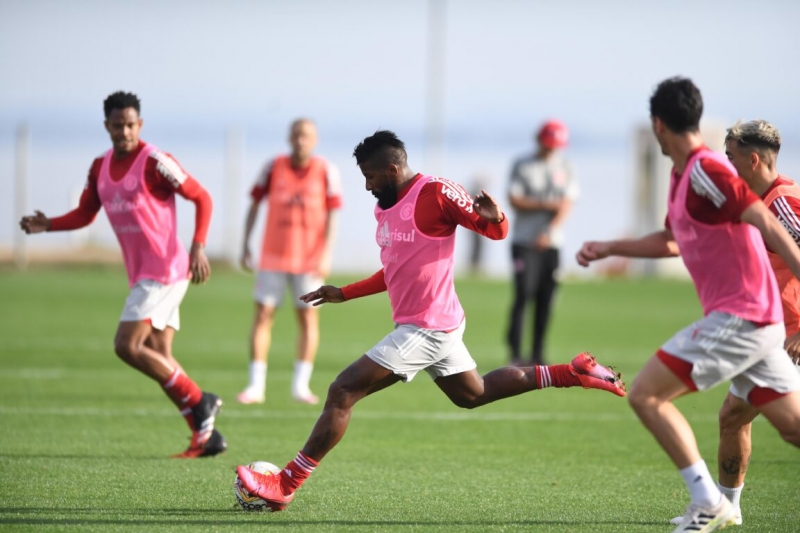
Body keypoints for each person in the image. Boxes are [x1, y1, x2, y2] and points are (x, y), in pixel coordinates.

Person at [235, 129, 627, 511]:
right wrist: (345, 292)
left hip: (427, 326)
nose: (367, 186)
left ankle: (285, 484)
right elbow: (393, 271)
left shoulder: (435, 192)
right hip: (436, 325)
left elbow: (492, 228)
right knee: (474, 394)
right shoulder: (384, 207)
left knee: (343, 390)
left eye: (370, 176)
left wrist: (498, 217)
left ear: (391, 169)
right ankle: (571, 373)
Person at [577, 78, 800, 533]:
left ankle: (708, 501)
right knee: (792, 428)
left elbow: (766, 222)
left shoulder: (705, 171)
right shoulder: (683, 177)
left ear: (658, 125)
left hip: (742, 317)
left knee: (645, 395)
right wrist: (609, 247)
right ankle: (720, 503)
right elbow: (673, 242)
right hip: (760, 324)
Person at [19, 91, 226, 458]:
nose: (125, 131)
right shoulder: (99, 167)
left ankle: (201, 400)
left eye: (131, 125)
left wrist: (198, 245)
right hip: (143, 273)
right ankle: (205, 437)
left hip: (164, 268)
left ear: (140, 125)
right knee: (158, 353)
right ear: (107, 126)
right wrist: (48, 224)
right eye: (118, 125)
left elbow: (202, 197)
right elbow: (85, 214)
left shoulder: (155, 161)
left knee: (127, 346)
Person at [667, 119, 800, 527]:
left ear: (753, 159)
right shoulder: (757, 203)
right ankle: (728, 507)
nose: (725, 164)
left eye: (730, 156)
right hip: (768, 335)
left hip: (791, 337)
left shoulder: (783, 203)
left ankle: (722, 506)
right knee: (734, 416)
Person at [237, 118, 342, 405]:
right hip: (272, 256)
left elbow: (333, 215)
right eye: (296, 135)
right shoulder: (273, 167)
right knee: (262, 316)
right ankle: (256, 385)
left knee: (307, 318)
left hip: (308, 260)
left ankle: (301, 385)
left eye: (306, 135)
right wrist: (245, 243)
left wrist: (326, 254)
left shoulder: (326, 171)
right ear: (288, 137)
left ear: (315, 140)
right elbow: (255, 204)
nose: (300, 140)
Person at [506, 120, 578, 365]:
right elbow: (515, 199)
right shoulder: (522, 164)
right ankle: (515, 352)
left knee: (547, 298)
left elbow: (567, 203)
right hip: (523, 241)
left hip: (552, 244)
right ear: (539, 140)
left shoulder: (565, 166)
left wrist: (548, 231)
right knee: (523, 293)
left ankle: (538, 353)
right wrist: (545, 205)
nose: (551, 150)